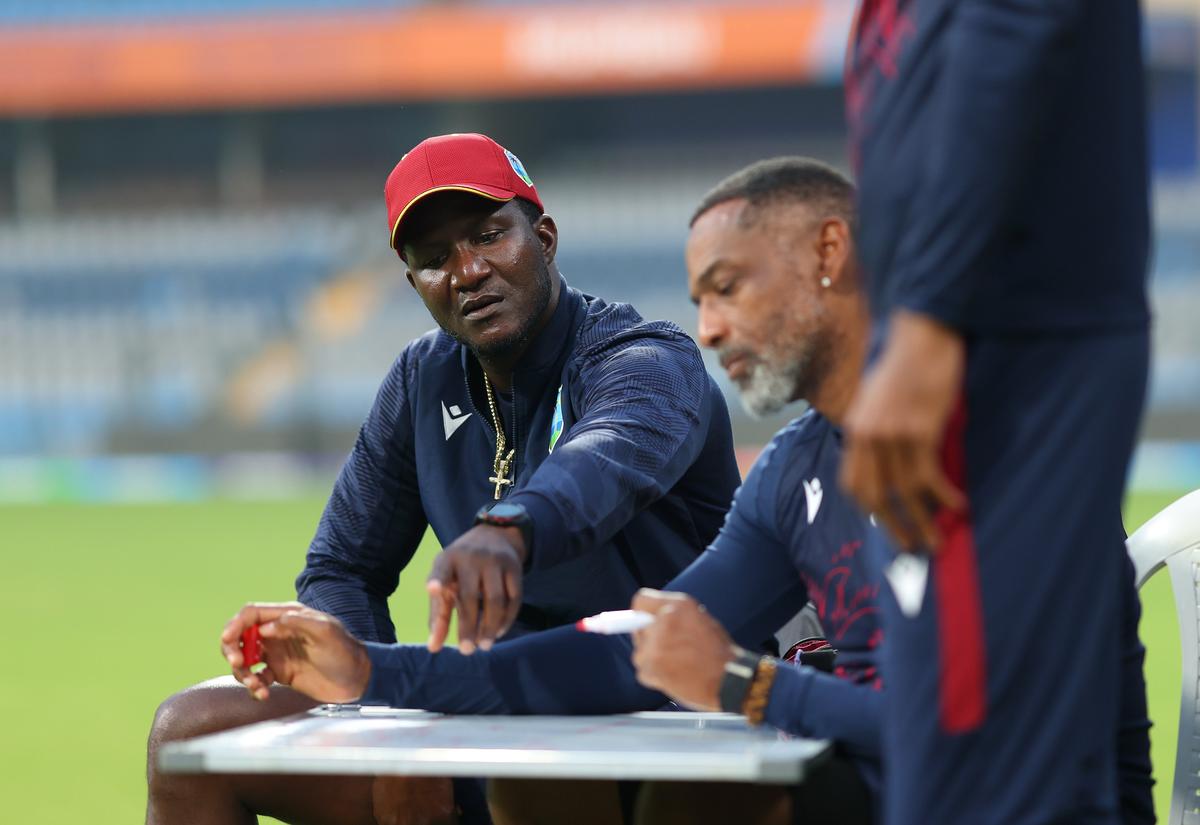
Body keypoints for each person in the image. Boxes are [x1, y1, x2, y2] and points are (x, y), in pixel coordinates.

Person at [219, 158, 1152, 825]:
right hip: (863, 787)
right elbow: (629, 658)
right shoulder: (792, 472)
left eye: (729, 288)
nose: (708, 329)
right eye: (699, 299)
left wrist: (745, 682)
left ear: (831, 253)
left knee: (702, 793)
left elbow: (978, 740)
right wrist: (374, 677)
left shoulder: (1006, 446)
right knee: (611, 779)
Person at [146, 132, 742, 825]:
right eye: (434, 259)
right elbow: (342, 566)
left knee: (537, 770)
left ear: (544, 237)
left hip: (659, 719)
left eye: (489, 236)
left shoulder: (642, 358)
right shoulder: (420, 379)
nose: (467, 270)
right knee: (188, 733)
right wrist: (391, 728)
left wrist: (511, 529)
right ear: (414, 284)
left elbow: (605, 456)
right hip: (488, 712)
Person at [838, 2, 1152, 823]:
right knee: (1003, 771)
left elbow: (1016, 23)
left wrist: (930, 314)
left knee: (982, 781)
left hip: (992, 334)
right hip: (969, 326)